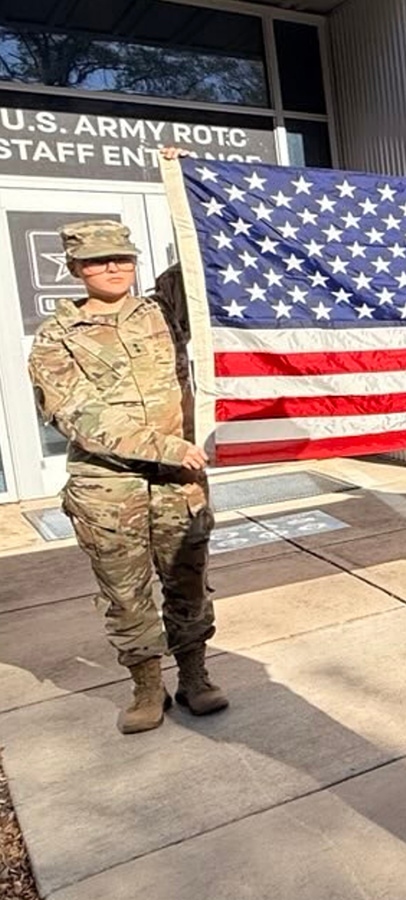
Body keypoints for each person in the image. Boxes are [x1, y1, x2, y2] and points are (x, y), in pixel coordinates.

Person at [27, 150, 227, 736]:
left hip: (177, 484)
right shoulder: (55, 337)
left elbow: (204, 258)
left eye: (122, 258)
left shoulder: (164, 310)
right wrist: (166, 447)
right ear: (76, 268)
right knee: (125, 592)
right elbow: (79, 418)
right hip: (106, 486)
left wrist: (187, 180)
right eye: (98, 262)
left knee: (187, 579)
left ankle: (194, 675)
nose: (113, 269)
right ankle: (146, 685)